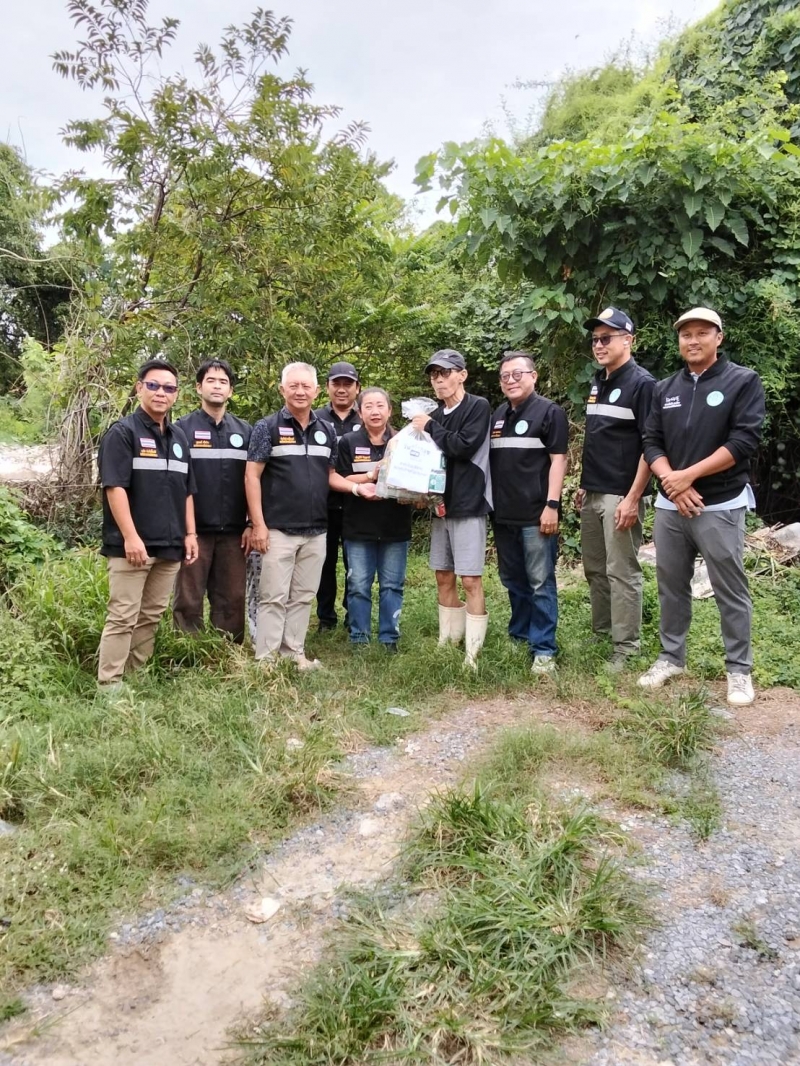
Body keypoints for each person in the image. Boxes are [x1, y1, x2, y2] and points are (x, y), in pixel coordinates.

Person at [639, 307, 765, 706]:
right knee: (670, 586)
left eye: (702, 333)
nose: (692, 341)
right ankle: (671, 658)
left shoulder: (742, 381)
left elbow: (744, 440)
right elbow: (651, 441)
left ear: (718, 338)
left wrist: (688, 476)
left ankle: (739, 671)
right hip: (670, 506)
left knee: (730, 589)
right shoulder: (665, 388)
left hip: (721, 504)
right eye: (686, 334)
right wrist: (672, 483)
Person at [244, 362, 357, 670]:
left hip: (316, 530)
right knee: (273, 597)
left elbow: (330, 476)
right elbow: (252, 476)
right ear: (282, 389)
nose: (300, 391)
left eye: (306, 386)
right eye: (293, 386)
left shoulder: (326, 431)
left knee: (303, 596)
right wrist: (258, 524)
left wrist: (360, 486)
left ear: (316, 391)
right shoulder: (267, 427)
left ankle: (294, 654)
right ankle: (266, 661)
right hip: (277, 529)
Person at [97, 359, 198, 691]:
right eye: (153, 385)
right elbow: (115, 487)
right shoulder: (122, 433)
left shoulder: (179, 437)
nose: (160, 393)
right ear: (139, 387)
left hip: (170, 544)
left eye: (168, 388)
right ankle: (110, 684)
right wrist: (130, 537)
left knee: (151, 615)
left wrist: (190, 534)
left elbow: (187, 490)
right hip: (132, 546)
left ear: (176, 394)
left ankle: (136, 676)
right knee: (123, 616)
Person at [577, 308, 656, 671]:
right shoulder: (598, 381)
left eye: (606, 338)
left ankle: (626, 647)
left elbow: (651, 446)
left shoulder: (643, 384)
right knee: (595, 568)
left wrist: (633, 497)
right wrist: (584, 486)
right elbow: (599, 440)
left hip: (621, 495)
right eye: (595, 339)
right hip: (593, 492)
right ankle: (602, 633)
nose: (599, 345)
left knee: (622, 571)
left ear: (629, 340)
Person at [411, 349, 492, 667]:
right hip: (440, 507)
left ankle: (473, 654)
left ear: (462, 375)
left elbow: (462, 446)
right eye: (434, 375)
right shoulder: (434, 414)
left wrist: (430, 426)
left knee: (470, 579)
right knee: (443, 576)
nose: (439, 380)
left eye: (445, 373)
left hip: (469, 504)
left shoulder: (477, 407)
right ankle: (448, 641)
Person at [489, 351, 568, 673]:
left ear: (533, 376)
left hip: (536, 515)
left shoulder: (549, 412)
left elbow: (559, 460)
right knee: (512, 579)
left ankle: (544, 648)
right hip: (502, 514)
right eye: (505, 376)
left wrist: (552, 505)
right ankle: (520, 635)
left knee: (540, 582)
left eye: (517, 374)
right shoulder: (498, 415)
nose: (511, 380)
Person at [173, 359, 252, 642]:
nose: (217, 386)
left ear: (231, 391)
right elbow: (176, 482)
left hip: (234, 532)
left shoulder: (245, 431)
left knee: (232, 597)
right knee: (188, 597)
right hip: (194, 532)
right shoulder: (181, 429)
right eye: (211, 381)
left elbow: (255, 481)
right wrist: (186, 530)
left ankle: (227, 651)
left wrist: (251, 523)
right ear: (198, 388)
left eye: (223, 382)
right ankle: (188, 649)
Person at [335, 387, 412, 651]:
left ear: (390, 411)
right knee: (358, 584)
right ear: (359, 412)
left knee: (392, 585)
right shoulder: (347, 442)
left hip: (395, 525)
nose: (375, 411)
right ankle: (359, 637)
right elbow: (340, 477)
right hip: (358, 526)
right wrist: (372, 475)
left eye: (380, 406)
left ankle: (390, 637)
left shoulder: (404, 441)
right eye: (368, 406)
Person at [315, 361, 362, 631]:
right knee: (325, 563)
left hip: (358, 504)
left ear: (357, 388)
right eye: (337, 384)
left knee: (355, 563)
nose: (342, 389)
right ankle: (325, 617)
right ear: (327, 387)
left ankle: (352, 614)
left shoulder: (366, 417)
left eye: (348, 384)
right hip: (323, 504)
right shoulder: (315, 418)